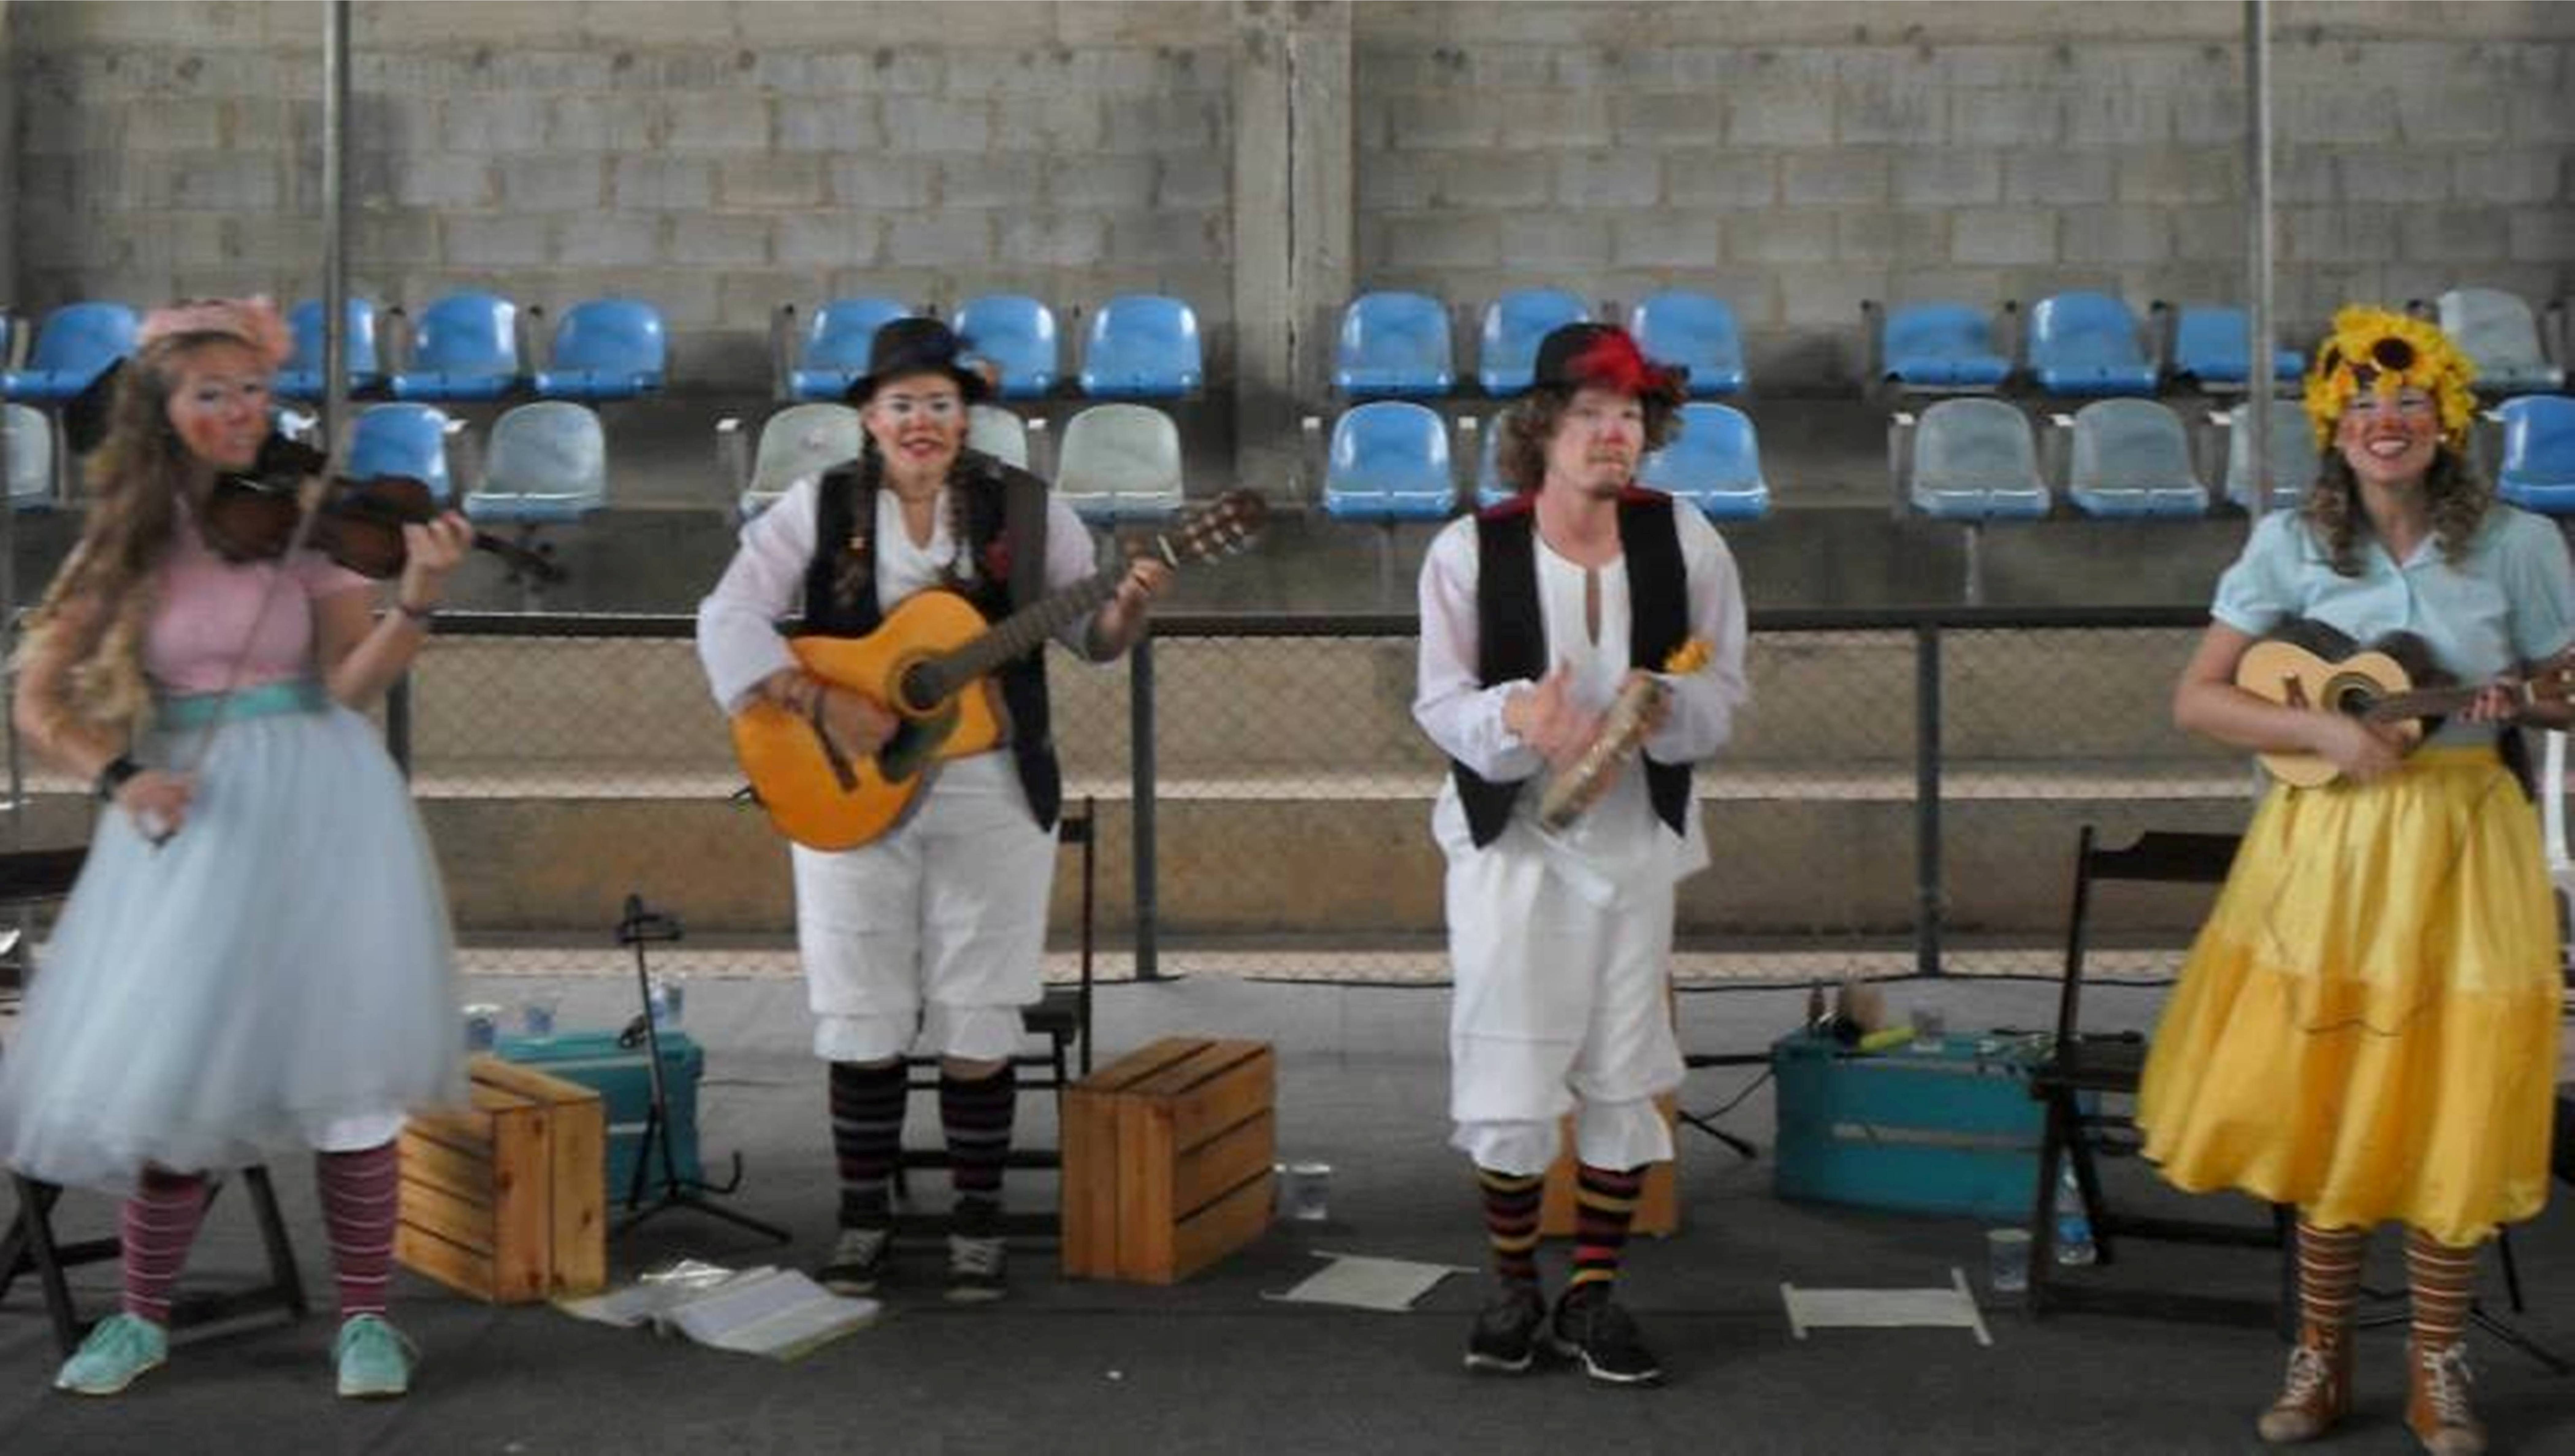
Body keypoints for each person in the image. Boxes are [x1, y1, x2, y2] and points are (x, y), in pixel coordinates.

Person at [0, 296, 473, 1398]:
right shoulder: (128, 543)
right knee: (178, 1066)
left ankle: (366, 1322)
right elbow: (39, 699)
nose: (245, 413)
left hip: (321, 800)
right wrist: (121, 777)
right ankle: (140, 1316)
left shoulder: (311, 525)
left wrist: (418, 597)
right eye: (212, 394)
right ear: (164, 414)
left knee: (351, 1075)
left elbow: (349, 689)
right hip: (189, 816)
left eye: (255, 391)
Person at [2137, 306, 2574, 1456]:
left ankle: (2439, 1365)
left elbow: (2565, 690)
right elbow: (2201, 698)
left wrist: (2523, 700)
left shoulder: (2523, 546)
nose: (2390, 422)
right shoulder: (2292, 547)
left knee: (2450, 1099)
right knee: (2328, 1090)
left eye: (2412, 401)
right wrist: (2332, 739)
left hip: (2466, 843)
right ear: (2335, 424)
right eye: (2365, 405)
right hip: (2329, 848)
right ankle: (2321, 1355)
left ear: (2448, 418)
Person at [695, 317, 1168, 1302]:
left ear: (966, 417)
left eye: (940, 404)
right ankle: (863, 1221)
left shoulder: (1030, 512)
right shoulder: (814, 506)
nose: (921, 421)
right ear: (867, 417)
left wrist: (1126, 608)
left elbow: (1091, 636)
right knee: (860, 1002)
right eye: (902, 403)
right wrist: (821, 698)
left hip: (992, 785)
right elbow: (728, 615)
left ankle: (977, 1227)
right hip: (844, 782)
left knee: (980, 1003)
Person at [1413, 321, 1749, 1386]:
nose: (1617, 435)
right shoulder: (1469, 549)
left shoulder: (1685, 538)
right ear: (1543, 427)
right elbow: (1439, 700)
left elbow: (1726, 690)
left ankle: (1593, 1296)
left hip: (1633, 846)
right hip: (1511, 850)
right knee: (1511, 1072)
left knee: (1621, 1066)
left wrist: (1666, 709)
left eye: (1633, 417)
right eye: (1595, 414)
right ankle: (1514, 1285)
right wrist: (1523, 720)